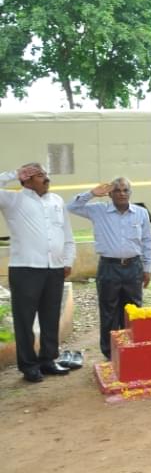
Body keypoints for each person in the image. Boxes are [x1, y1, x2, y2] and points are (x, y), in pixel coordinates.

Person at [0, 163, 75, 382]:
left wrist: (68, 260)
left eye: (46, 174)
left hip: (54, 268)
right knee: (24, 319)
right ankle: (28, 365)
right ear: (27, 180)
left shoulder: (57, 201)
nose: (46, 178)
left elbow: (67, 233)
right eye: (40, 175)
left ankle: (48, 360)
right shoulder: (13, 200)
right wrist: (14, 174)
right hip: (26, 268)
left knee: (50, 316)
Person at [68, 178, 151, 360]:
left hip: (134, 267)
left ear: (130, 193)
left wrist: (147, 268)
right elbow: (72, 206)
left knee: (133, 310)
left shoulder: (141, 213)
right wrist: (91, 193)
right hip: (109, 267)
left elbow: (147, 241)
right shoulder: (98, 210)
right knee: (109, 311)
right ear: (110, 193)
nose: (121, 193)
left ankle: (132, 347)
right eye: (117, 190)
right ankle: (110, 352)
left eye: (125, 190)